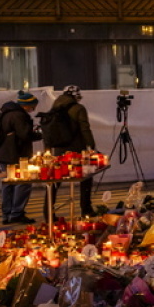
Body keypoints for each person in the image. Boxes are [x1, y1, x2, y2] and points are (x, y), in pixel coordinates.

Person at [44, 86, 97, 217]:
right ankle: (86, 209)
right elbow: (85, 128)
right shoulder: (79, 108)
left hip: (59, 149)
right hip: (77, 149)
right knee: (85, 178)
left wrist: (48, 149)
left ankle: (48, 212)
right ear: (77, 96)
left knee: (56, 180)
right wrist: (91, 146)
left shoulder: (54, 107)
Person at [0, 91, 42, 224]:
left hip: (4, 154)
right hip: (16, 154)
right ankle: (17, 213)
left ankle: (6, 214)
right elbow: (24, 135)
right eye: (33, 106)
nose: (34, 109)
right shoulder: (18, 115)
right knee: (23, 183)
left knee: (8, 184)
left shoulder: (6, 113)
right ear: (27, 105)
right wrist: (40, 134)